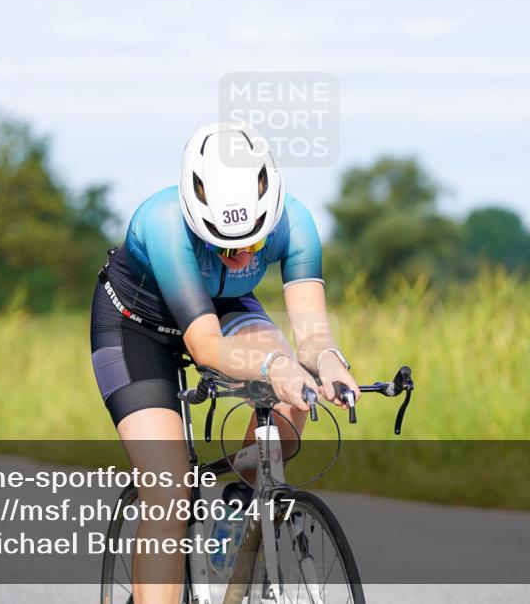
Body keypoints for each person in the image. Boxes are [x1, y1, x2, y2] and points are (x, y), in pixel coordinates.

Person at [90, 121, 359, 603]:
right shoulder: (164, 221)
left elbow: (312, 336)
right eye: (220, 242)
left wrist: (330, 363)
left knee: (290, 403)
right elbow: (206, 346)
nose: (237, 257)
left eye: (252, 242)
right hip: (136, 327)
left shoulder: (295, 223)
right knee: (168, 491)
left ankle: (240, 505)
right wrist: (275, 366)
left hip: (223, 308)